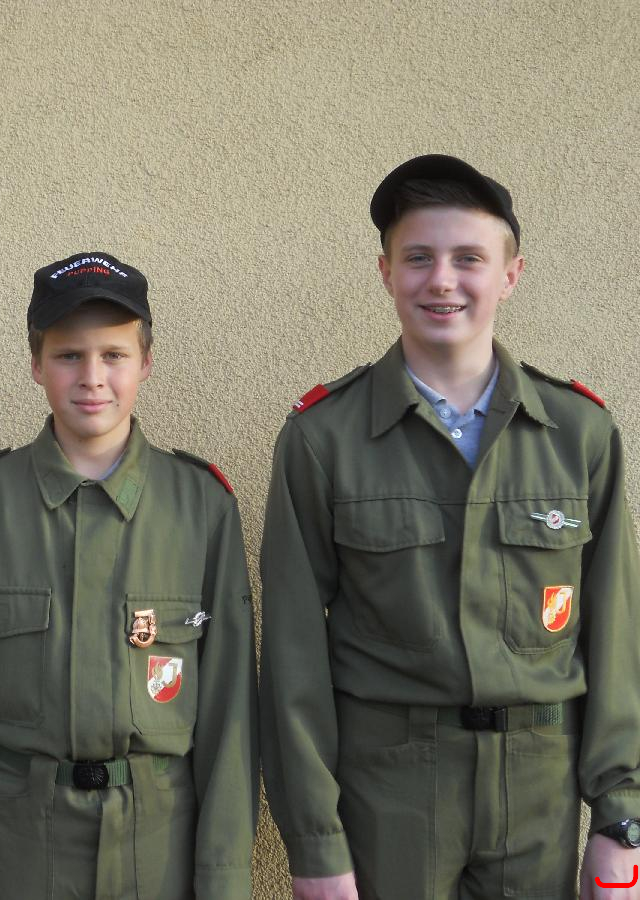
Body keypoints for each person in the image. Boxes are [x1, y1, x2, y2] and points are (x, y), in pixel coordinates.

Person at [259, 154, 640, 899]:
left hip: (538, 790)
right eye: (418, 258)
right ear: (385, 272)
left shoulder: (579, 435)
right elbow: (293, 658)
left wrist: (621, 815)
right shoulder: (324, 439)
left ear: (511, 274)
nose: (442, 280)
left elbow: (616, 636)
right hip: (390, 791)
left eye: (469, 258)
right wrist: (313, 841)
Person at [0, 252, 258, 900]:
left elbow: (231, 715)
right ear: (36, 364)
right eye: (69, 355)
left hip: (161, 844)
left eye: (113, 355)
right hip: (22, 844)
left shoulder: (202, 508)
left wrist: (226, 878)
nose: (92, 378)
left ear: (146, 362)